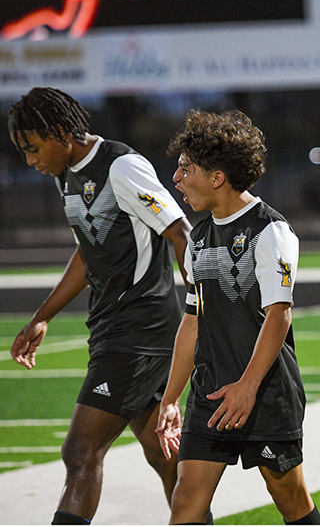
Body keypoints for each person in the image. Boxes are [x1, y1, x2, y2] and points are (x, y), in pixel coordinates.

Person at [7, 87, 190, 525]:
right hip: (115, 326)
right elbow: (87, 251)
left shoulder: (121, 166)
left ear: (61, 132)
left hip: (140, 329)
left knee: (80, 450)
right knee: (165, 458)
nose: (30, 160)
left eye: (33, 148)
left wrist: (203, 308)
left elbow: (180, 231)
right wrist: (43, 316)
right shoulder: (64, 173)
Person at [156, 110, 320, 525]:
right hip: (211, 393)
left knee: (289, 497)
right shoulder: (197, 237)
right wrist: (171, 397)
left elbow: (278, 318)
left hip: (265, 394)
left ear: (216, 177)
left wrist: (248, 388)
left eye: (185, 169)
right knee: (185, 504)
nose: (176, 179)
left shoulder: (271, 231)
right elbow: (192, 322)